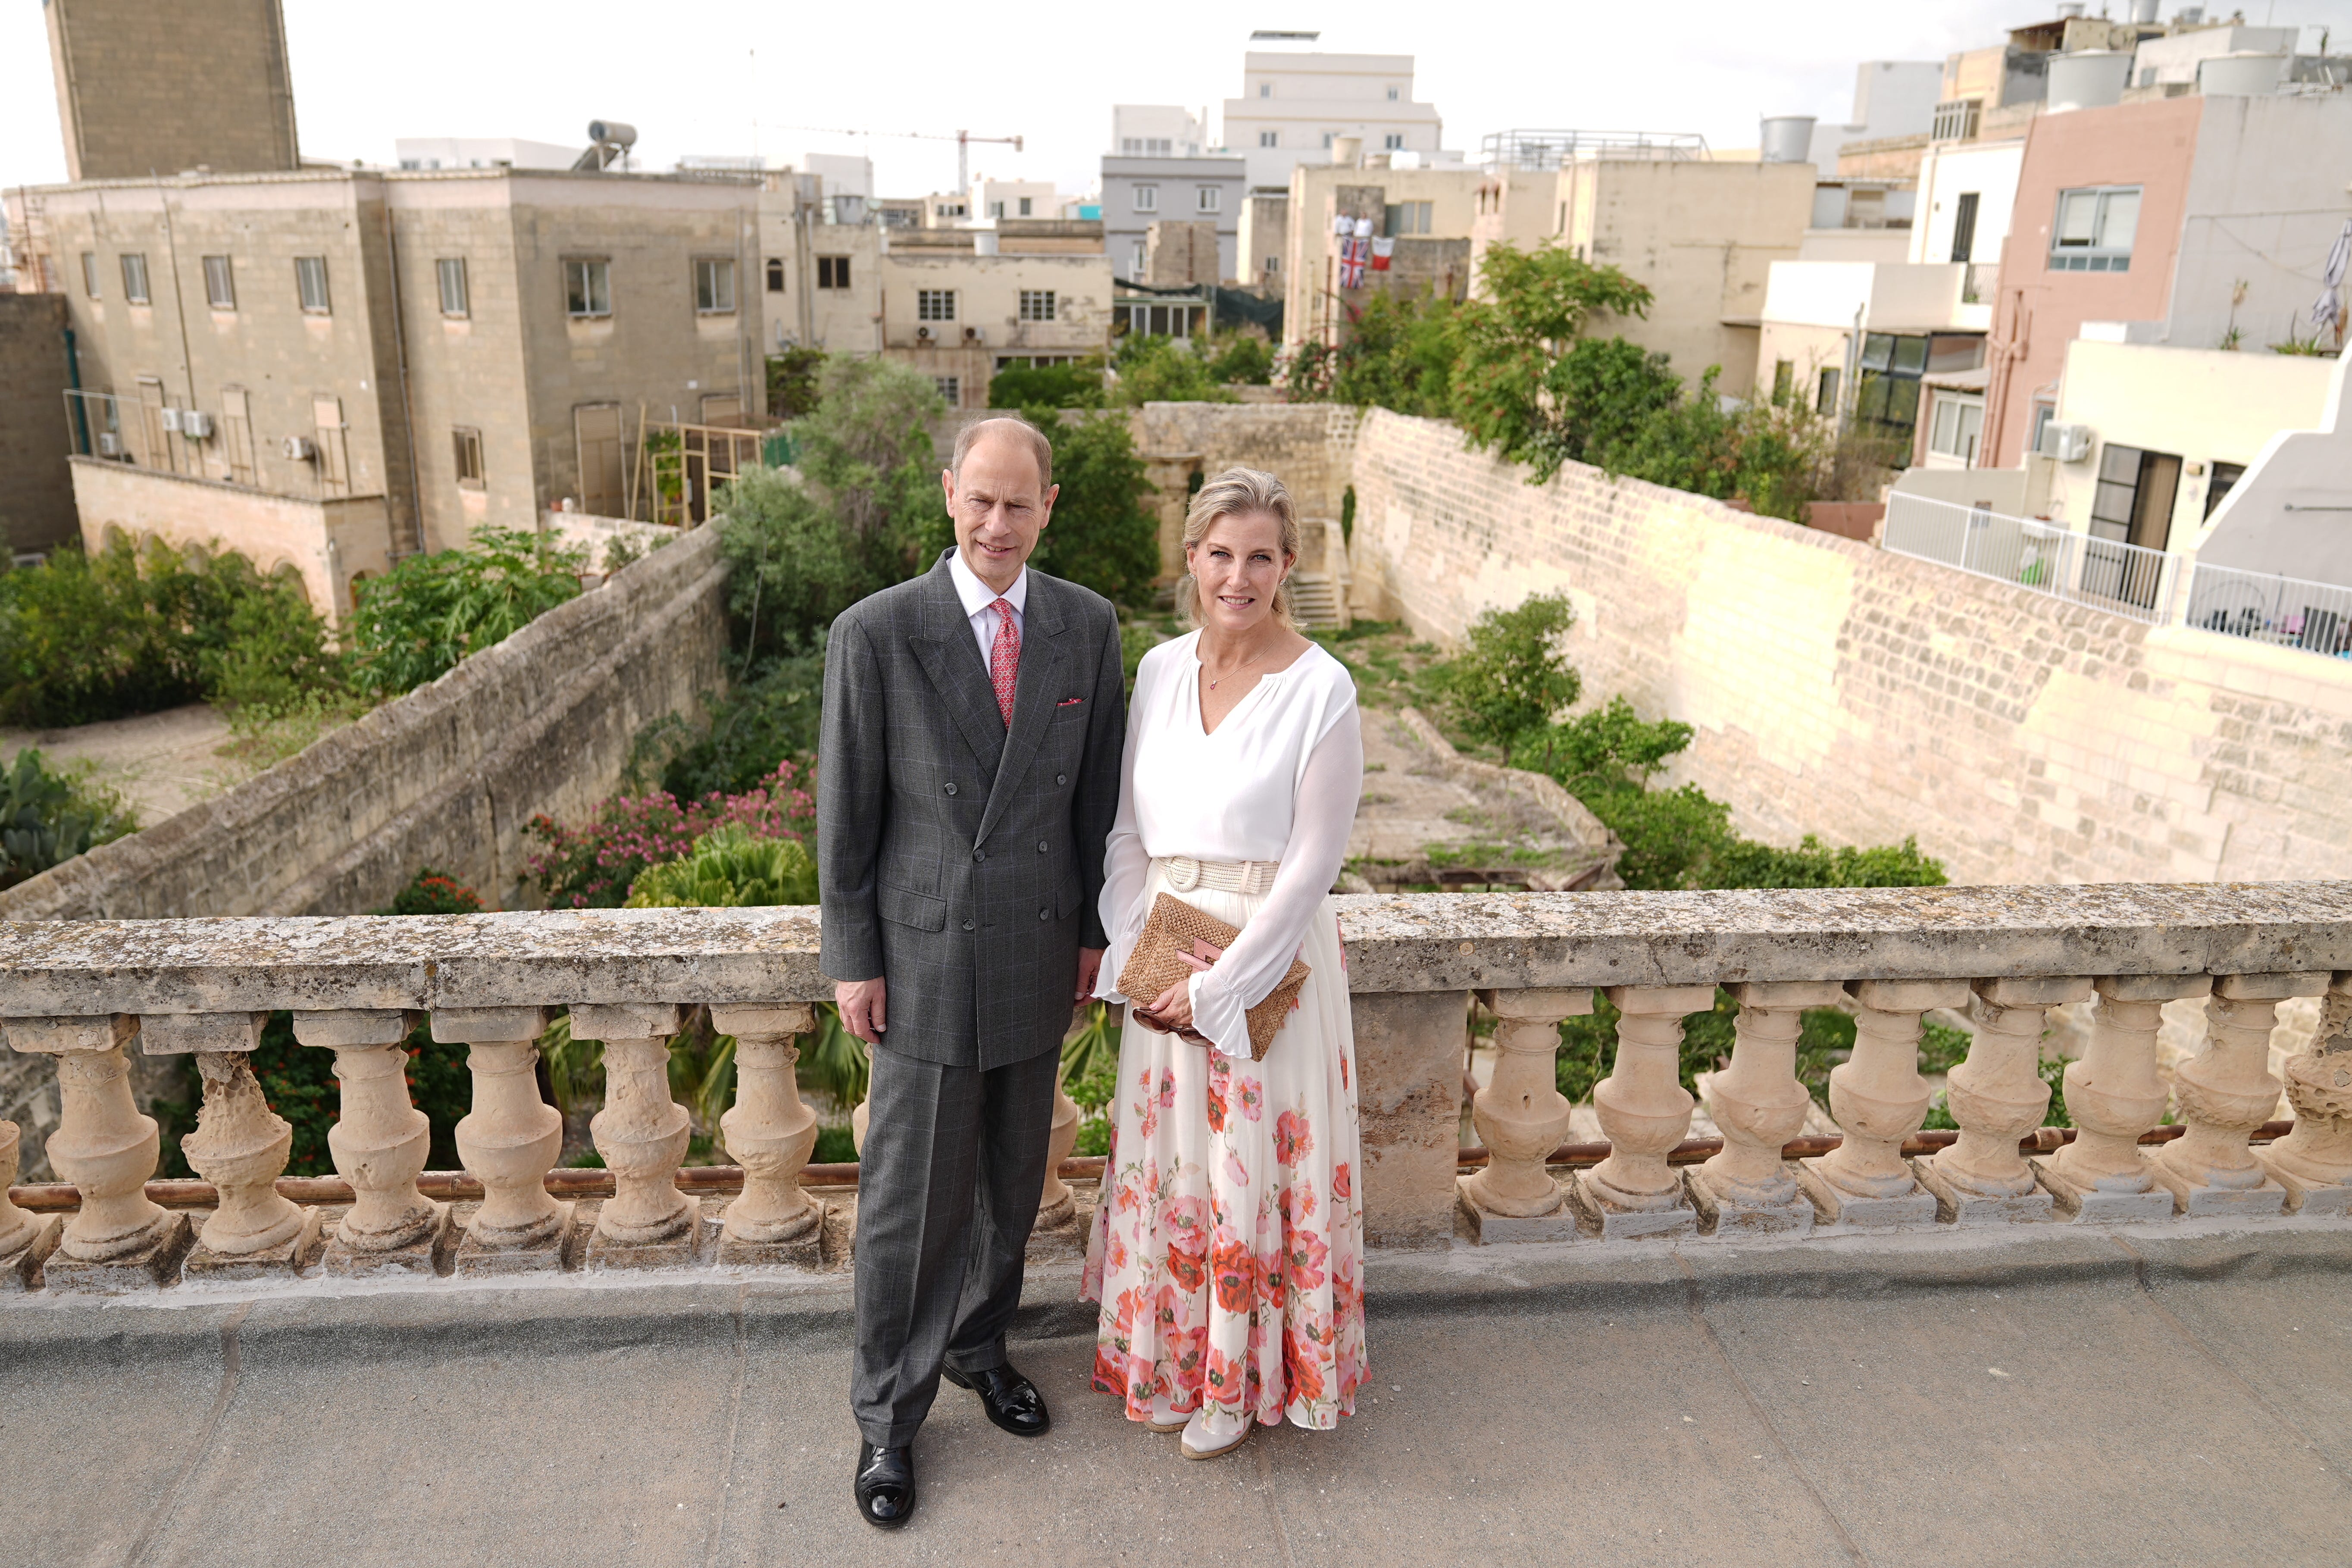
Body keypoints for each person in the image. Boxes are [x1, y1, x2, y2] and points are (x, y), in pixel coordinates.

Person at [819, 414, 1126, 1530]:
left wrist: (1094, 932)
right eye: (981, 500)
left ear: (1049, 505)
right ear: (950, 494)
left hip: (1040, 945)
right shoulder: (877, 630)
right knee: (910, 1205)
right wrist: (853, 957)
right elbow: (847, 814)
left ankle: (979, 1346)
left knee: (1012, 1182)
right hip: (927, 958)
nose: (999, 523)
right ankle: (887, 1417)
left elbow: (1097, 799)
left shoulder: (1088, 626)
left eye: (1019, 503)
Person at [1082, 466, 1367, 1462]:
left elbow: (1314, 865)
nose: (1237, 577)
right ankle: (1171, 1363)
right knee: (1176, 1167)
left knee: (1250, 1167)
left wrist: (1219, 987)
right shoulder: (1159, 669)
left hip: (1264, 961)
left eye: (1259, 557)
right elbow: (1124, 829)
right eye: (1219, 554)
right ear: (1191, 559)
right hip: (1162, 949)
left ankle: (1240, 1385)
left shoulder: (1321, 688)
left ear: (1287, 565)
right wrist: (1134, 951)